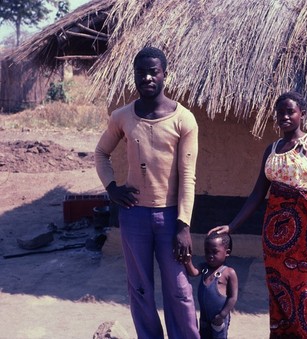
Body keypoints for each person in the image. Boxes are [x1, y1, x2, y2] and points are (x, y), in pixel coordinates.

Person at [95, 46, 199, 339]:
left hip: (170, 219)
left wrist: (183, 225)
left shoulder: (184, 120)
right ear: (135, 77)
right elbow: (101, 153)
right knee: (139, 288)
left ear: (165, 74)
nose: (148, 78)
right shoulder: (122, 116)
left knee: (179, 290)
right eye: (141, 73)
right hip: (134, 216)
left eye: (154, 71)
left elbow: (188, 176)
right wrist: (112, 188)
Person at [210, 91, 307, 338]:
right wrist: (232, 226)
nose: (285, 116)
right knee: (280, 287)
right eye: (281, 112)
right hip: (275, 236)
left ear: (302, 114)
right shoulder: (271, 149)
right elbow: (258, 193)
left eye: (291, 111)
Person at [184, 232, 238, 339]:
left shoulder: (229, 272)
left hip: (219, 319)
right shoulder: (204, 267)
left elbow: (233, 297)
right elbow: (193, 272)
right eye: (207, 252)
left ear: (227, 252)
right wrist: (188, 261)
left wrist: (222, 315)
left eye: (215, 252)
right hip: (204, 319)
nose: (210, 256)